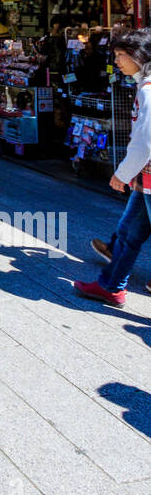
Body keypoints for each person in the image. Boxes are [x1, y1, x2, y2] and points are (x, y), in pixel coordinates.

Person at [77, 28, 151, 306]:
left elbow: (145, 141)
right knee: (128, 233)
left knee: (128, 234)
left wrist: (122, 174)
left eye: (121, 55)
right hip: (145, 179)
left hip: (147, 175)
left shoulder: (147, 90)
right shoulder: (144, 84)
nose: (117, 60)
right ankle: (111, 285)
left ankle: (111, 285)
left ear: (139, 56)